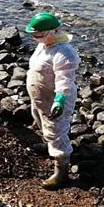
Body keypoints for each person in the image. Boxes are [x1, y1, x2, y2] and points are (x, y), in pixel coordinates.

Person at [25, 12, 81, 190]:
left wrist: (59, 100)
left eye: (39, 35)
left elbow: (64, 80)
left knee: (56, 129)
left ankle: (61, 169)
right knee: (39, 118)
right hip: (41, 96)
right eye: (33, 35)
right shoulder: (44, 45)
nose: (35, 38)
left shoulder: (64, 53)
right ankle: (48, 144)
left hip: (55, 97)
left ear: (53, 31)